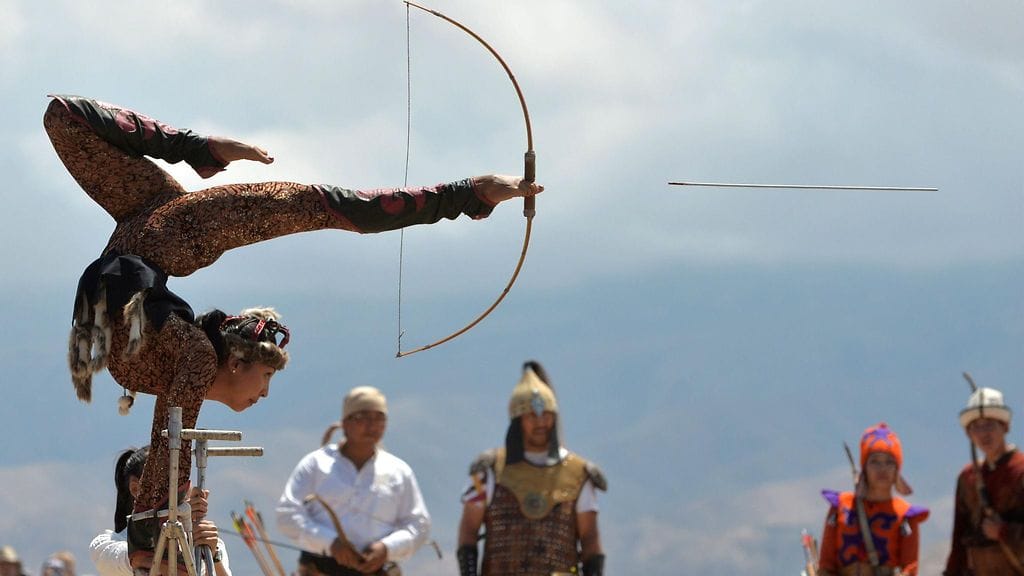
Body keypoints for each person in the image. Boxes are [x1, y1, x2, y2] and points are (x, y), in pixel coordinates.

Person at [43, 94, 541, 568]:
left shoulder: (179, 324)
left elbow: (170, 430)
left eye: (267, 379)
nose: (264, 393)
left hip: (139, 275)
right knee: (322, 209)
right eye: (267, 377)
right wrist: (197, 148)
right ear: (235, 361)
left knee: (324, 207)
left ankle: (151, 525)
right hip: (140, 273)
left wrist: (470, 195)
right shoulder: (187, 279)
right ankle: (151, 527)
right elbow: (173, 431)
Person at [457, 361, 607, 576]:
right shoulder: (488, 472)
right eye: (532, 415)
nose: (540, 422)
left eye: (546, 414)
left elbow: (590, 539)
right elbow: (468, 531)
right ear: (518, 420)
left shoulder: (578, 474)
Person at [277, 386, 430, 575]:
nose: (371, 425)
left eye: (379, 418)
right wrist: (330, 543)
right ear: (345, 423)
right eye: (362, 417)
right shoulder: (316, 464)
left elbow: (418, 524)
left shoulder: (399, 471)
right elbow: (287, 514)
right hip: (319, 568)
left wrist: (387, 548)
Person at [90, 446, 232, 576]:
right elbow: (140, 558)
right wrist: (177, 522)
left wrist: (212, 556)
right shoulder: (106, 546)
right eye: (167, 482)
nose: (178, 489)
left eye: (182, 479)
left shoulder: (208, 540)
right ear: (136, 489)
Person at [817, 422, 929, 576]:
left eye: (889, 462)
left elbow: (909, 569)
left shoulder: (906, 516)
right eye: (875, 461)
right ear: (865, 468)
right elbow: (826, 564)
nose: (882, 468)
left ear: (897, 470)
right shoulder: (840, 507)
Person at [944, 387, 1024, 575]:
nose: (983, 433)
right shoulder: (968, 478)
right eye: (976, 427)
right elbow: (959, 539)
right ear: (968, 434)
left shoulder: (1020, 471)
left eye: (989, 424)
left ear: (1005, 427)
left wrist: (1004, 532)